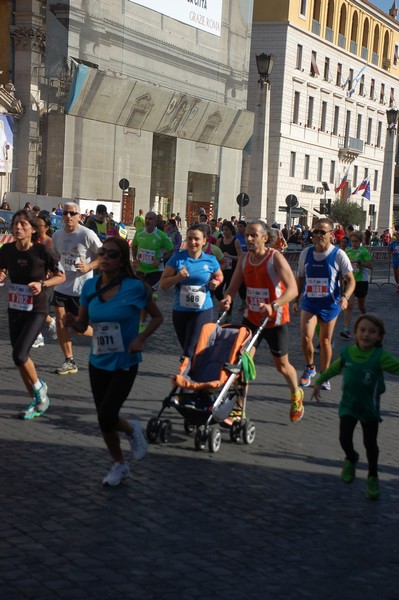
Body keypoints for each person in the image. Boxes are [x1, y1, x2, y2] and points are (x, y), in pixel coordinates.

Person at [65, 238, 163, 486]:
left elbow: (157, 317)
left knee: (107, 414)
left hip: (125, 360)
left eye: (112, 254)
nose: (106, 257)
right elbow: (82, 325)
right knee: (104, 419)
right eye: (103, 253)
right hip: (97, 359)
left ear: (122, 261)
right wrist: (71, 322)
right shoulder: (90, 288)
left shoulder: (135, 287)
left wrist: (141, 338)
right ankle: (120, 464)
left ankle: (132, 431)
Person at [220, 220, 304, 423]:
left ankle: (296, 395)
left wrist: (274, 305)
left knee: (282, 366)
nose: (248, 239)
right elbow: (232, 287)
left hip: (275, 320)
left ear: (264, 238)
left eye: (253, 235)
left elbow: (293, 289)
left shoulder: (275, 258)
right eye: (247, 235)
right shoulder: (244, 259)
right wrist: (228, 298)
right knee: (241, 363)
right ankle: (239, 409)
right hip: (251, 319)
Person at [311, 314, 399, 499]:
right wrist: (320, 381)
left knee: (370, 444)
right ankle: (351, 457)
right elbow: (336, 367)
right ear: (356, 333)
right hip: (348, 406)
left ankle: (373, 476)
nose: (366, 335)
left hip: (369, 408)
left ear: (379, 336)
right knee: (344, 438)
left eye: (372, 332)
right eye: (363, 330)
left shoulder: (380, 356)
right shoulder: (347, 353)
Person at [0, 209, 65, 418]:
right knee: (19, 358)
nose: (18, 227)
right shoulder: (7, 250)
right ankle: (37, 400)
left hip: (37, 309)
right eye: (15, 224)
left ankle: (39, 391)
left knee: (20, 353)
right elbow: (2, 269)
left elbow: (61, 276)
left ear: (32, 229)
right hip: (15, 308)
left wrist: (42, 283)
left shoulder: (42, 252)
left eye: (23, 225)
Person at [293, 217, 355, 392]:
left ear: (331, 235)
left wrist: (345, 297)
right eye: (316, 232)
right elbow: (301, 278)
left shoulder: (339, 254)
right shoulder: (306, 253)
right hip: (310, 302)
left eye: (322, 232)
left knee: (325, 341)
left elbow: (350, 281)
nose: (318, 235)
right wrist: (296, 299)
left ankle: (325, 374)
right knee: (305, 337)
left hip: (330, 303)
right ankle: (309, 366)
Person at [51, 201, 102, 374]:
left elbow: (103, 255)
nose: (68, 217)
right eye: (65, 213)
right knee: (60, 321)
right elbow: (57, 257)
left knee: (77, 329)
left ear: (79, 216)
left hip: (80, 289)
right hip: (61, 286)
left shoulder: (87, 234)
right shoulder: (57, 235)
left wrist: (89, 267)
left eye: (72, 213)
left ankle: (101, 335)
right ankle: (69, 360)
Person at [159, 223, 223, 359]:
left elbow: (219, 275)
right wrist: (177, 277)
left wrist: (216, 282)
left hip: (202, 310)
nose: (193, 242)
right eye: (189, 239)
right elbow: (163, 284)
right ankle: (196, 373)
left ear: (204, 240)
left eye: (197, 239)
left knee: (189, 350)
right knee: (187, 347)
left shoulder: (210, 260)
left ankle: (186, 377)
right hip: (180, 311)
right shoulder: (177, 258)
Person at [132, 211, 174, 328]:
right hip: (141, 269)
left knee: (145, 296)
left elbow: (171, 251)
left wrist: (160, 260)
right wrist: (134, 259)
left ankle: (141, 323)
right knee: (141, 296)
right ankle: (139, 317)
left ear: (155, 222)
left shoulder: (161, 236)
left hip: (155, 272)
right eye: (146, 218)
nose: (148, 221)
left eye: (151, 219)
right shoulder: (139, 233)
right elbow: (134, 245)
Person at [31, 211, 58, 348]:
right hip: (33, 277)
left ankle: (39, 335)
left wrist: (48, 272)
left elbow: (53, 261)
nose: (37, 227)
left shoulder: (49, 242)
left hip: (45, 280)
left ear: (46, 227)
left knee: (37, 307)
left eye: (40, 225)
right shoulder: (33, 240)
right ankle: (50, 324)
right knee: (34, 307)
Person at [340, 231, 372, 339]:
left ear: (360, 241)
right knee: (349, 305)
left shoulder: (364, 251)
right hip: (349, 281)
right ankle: (346, 329)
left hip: (361, 281)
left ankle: (368, 320)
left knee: (361, 306)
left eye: (356, 241)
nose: (354, 243)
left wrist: (360, 262)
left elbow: (371, 265)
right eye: (352, 241)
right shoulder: (347, 251)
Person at [214, 221, 242, 323]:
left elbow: (240, 256)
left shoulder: (236, 241)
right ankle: (224, 304)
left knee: (229, 292)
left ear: (231, 230)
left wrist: (229, 256)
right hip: (221, 270)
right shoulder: (219, 241)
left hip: (232, 270)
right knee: (217, 291)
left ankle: (228, 314)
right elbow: (216, 254)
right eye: (223, 229)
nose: (225, 232)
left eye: (227, 230)